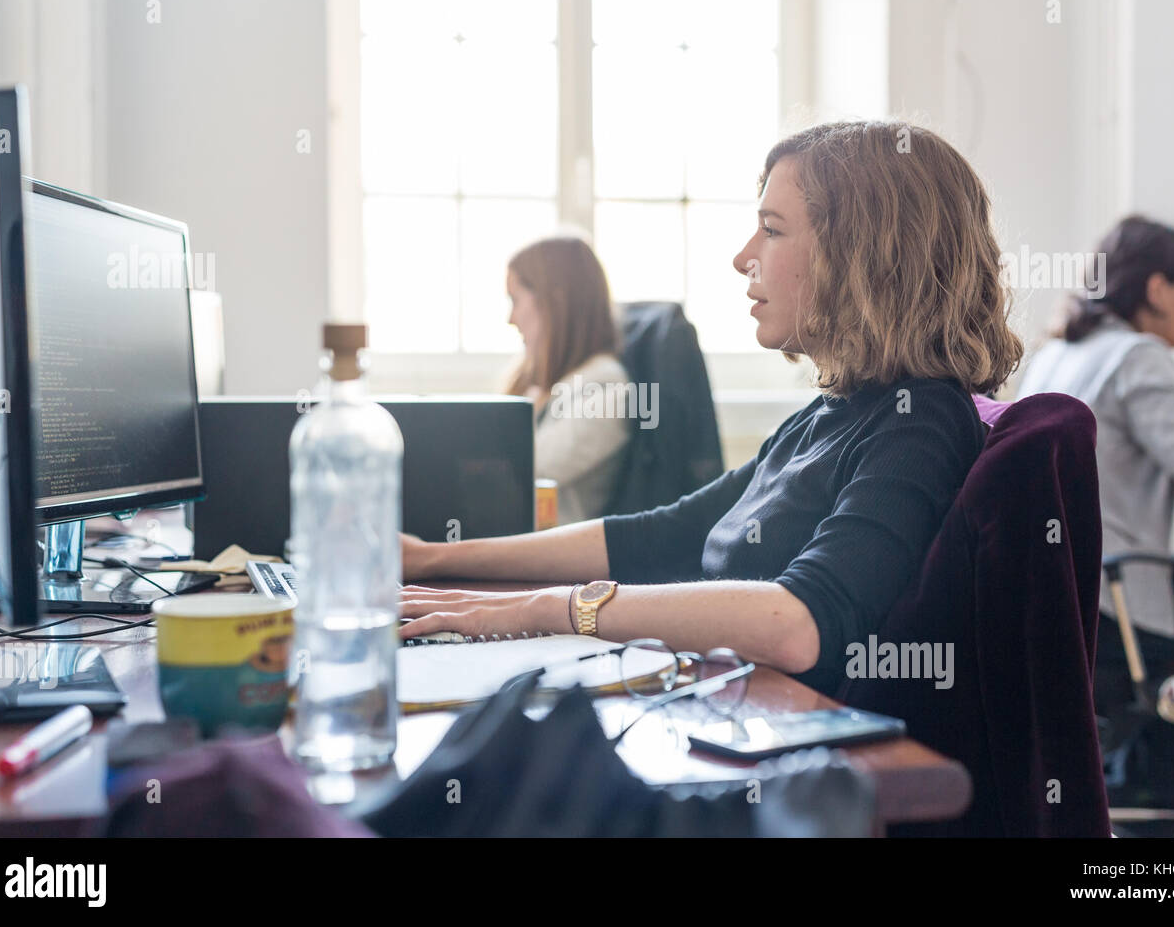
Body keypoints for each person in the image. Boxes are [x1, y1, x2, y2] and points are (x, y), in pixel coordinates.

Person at [400, 121, 1023, 694]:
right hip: (743, 711)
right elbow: (662, 532)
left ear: (862, 257)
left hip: (808, 764)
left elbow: (797, 622)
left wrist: (554, 608)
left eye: (772, 230)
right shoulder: (832, 413)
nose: (742, 255)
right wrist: (435, 559)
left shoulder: (919, 422)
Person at [1019, 215, 1174, 660]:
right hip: (1113, 599)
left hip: (1053, 588)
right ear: (1157, 290)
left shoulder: (1055, 353)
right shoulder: (1138, 354)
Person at [504, 235, 632, 525]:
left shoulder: (608, 389)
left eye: (515, 300)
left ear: (553, 303)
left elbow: (524, 467)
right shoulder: (540, 381)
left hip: (555, 554)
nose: (511, 318)